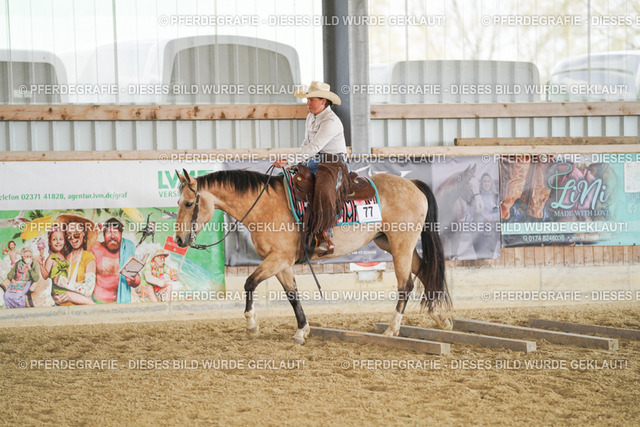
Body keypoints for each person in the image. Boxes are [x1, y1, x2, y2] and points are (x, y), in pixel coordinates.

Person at [272, 81, 349, 255]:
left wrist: (289, 159)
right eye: (307, 99)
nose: (308, 103)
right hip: (313, 161)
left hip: (333, 164)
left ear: (323, 101)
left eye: (312, 100)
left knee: (324, 190)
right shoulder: (310, 117)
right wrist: (292, 162)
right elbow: (306, 144)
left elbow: (315, 146)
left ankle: (325, 233)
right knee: (285, 179)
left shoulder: (331, 121)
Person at [91, 218, 140, 304]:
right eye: (108, 232)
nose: (112, 236)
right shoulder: (96, 248)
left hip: (119, 302)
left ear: (121, 234)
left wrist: (133, 280)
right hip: (97, 301)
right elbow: (81, 250)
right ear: (103, 234)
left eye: (116, 232)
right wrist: (95, 232)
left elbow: (137, 280)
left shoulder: (127, 248)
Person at [52, 216, 97, 305]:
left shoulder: (88, 257)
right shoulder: (63, 257)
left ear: (83, 233)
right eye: (69, 235)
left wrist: (65, 285)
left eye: (76, 234)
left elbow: (88, 290)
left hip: (80, 308)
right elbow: (55, 285)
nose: (73, 238)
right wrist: (55, 297)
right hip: (61, 307)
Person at [471, 173, 501, 259]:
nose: (486, 183)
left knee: (490, 257)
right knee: (479, 257)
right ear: (481, 183)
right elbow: (470, 212)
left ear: (491, 183)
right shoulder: (476, 197)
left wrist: (492, 217)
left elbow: (502, 213)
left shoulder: (496, 196)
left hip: (492, 233)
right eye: (484, 181)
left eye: (488, 181)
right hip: (478, 234)